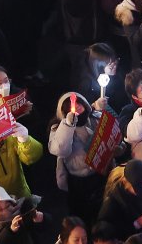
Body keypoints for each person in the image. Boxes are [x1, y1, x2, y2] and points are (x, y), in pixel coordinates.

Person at [49, 92, 110, 224]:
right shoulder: (57, 128)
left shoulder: (96, 118)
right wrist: (68, 125)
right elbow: (61, 149)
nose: (76, 106)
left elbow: (111, 133)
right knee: (82, 216)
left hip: (101, 174)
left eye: (78, 103)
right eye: (70, 105)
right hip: (78, 182)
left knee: (104, 213)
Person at [97, 159, 142, 240]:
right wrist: (136, 224)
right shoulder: (112, 204)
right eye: (141, 188)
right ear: (126, 183)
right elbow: (107, 233)